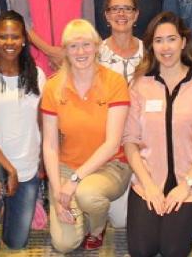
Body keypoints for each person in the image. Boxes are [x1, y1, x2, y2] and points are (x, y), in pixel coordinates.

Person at [122, 12, 192, 257]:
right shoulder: (140, 84)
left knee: (171, 250)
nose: (165, 47)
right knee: (142, 251)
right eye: (158, 40)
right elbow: (130, 141)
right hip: (148, 182)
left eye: (171, 39)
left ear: (183, 42)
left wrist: (185, 185)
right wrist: (148, 185)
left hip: (190, 185)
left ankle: (189, 228)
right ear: (151, 46)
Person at [41, 19, 131, 253]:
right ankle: (76, 210)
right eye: (73, 46)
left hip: (110, 166)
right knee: (64, 245)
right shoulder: (53, 87)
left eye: (86, 45)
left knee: (87, 194)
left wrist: (72, 183)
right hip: (67, 165)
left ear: (97, 46)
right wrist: (56, 189)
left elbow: (112, 145)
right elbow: (50, 145)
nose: (80, 52)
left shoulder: (115, 82)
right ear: (65, 51)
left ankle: (97, 227)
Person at [0, 11, 45, 256]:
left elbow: (42, 124)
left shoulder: (37, 76)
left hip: (27, 165)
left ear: (24, 39)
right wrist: (9, 169)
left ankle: (5, 205)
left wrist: (42, 163)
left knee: (16, 242)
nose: (9, 42)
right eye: (3, 37)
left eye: (15, 37)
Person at [98, 0, 146, 83]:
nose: (121, 13)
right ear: (107, 15)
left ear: (136, 15)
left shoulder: (148, 51)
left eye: (127, 9)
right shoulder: (97, 53)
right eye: (115, 9)